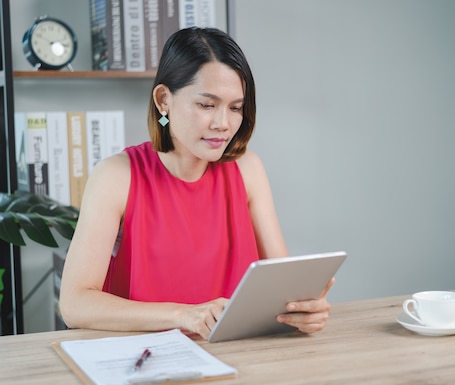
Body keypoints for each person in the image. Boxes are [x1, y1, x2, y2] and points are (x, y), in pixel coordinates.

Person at [59, 27, 334, 340]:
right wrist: (185, 315)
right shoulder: (116, 176)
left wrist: (304, 309)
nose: (223, 124)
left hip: (238, 355)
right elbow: (74, 303)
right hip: (146, 359)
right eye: (207, 105)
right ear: (164, 100)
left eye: (235, 108)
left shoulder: (248, 169)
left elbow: (285, 286)